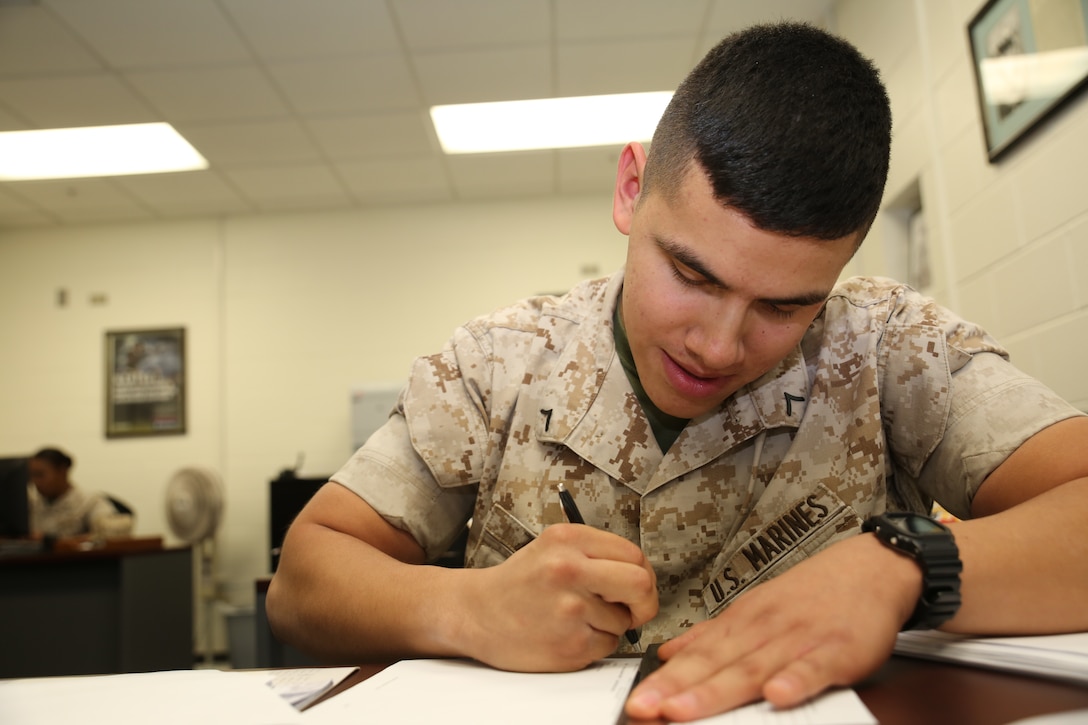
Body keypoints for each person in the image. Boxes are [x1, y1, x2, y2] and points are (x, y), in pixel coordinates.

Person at [266, 22, 1088, 722]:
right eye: (693, 276)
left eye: (784, 306)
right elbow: (304, 579)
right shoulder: (497, 363)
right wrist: (465, 609)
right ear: (631, 190)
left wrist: (905, 566)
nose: (720, 346)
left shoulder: (890, 346)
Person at [27, 447, 133, 540]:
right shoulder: (31, 503)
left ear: (62, 471)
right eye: (32, 475)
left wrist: (55, 541)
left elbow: (109, 535)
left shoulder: (89, 501)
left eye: (40, 475)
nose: (35, 481)